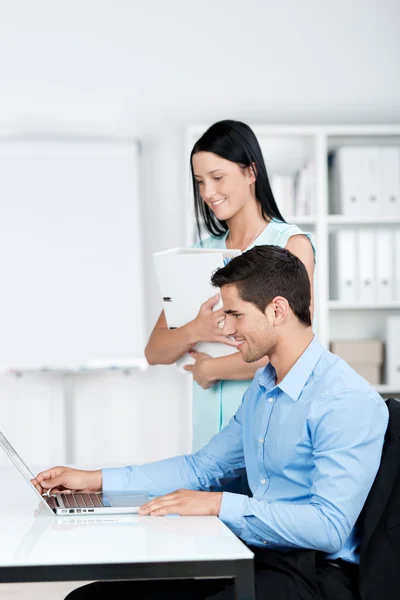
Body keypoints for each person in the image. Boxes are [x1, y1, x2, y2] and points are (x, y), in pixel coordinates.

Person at [34, 245, 388, 600]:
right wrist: (94, 480)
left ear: (277, 310)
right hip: (257, 554)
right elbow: (201, 468)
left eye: (235, 314)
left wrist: (219, 504)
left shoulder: (343, 399)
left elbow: (327, 527)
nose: (227, 329)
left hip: (316, 574)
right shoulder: (264, 388)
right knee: (89, 597)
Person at [145, 120, 316, 451]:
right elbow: (155, 351)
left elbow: (296, 348)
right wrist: (197, 329)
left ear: (251, 172)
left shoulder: (290, 246)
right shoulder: (199, 252)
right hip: (209, 442)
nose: (208, 192)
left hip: (268, 434)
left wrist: (211, 369)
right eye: (200, 181)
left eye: (217, 178)